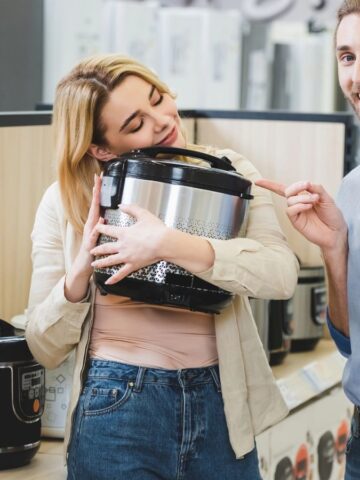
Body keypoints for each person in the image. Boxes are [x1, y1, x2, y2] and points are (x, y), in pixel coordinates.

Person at [25, 53, 298, 480]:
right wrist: (80, 272)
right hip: (116, 403)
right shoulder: (64, 203)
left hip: (219, 399)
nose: (162, 121)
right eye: (135, 124)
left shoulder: (230, 174)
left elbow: (280, 274)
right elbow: (43, 345)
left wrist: (169, 244)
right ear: (100, 148)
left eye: (158, 98)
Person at [255, 1, 360, 478]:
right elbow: (347, 341)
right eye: (347, 57)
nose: (355, 78)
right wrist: (334, 252)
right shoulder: (352, 189)